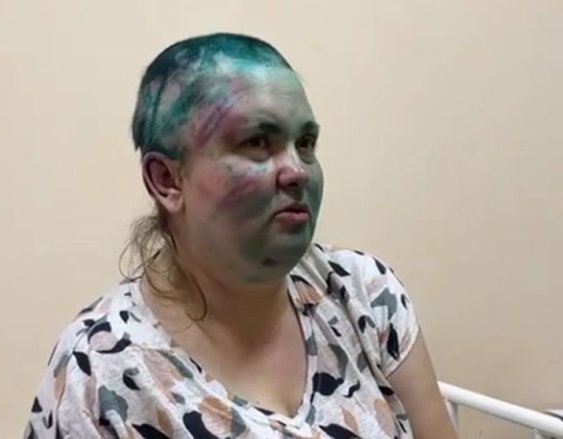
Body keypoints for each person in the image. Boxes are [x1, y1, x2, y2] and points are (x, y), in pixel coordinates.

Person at [25, 33, 457, 438]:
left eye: (306, 142)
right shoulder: (100, 372)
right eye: (256, 142)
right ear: (167, 180)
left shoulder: (363, 294)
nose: (298, 170)